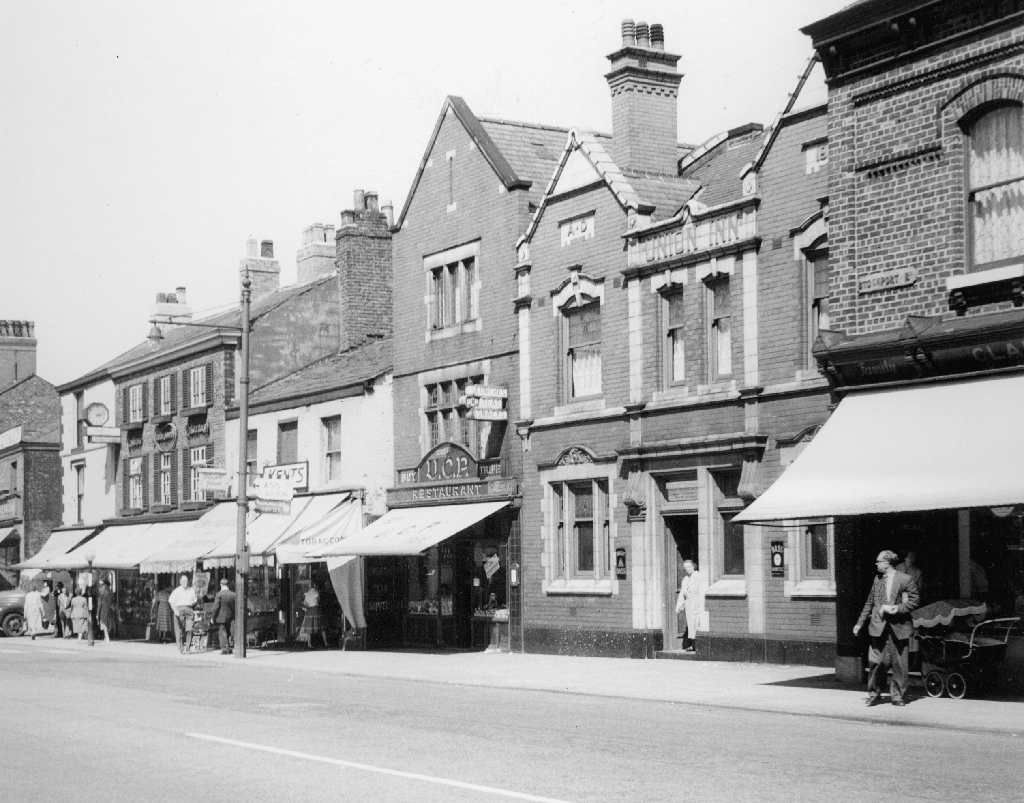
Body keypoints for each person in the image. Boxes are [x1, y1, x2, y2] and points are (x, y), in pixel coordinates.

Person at [854, 549, 920, 707]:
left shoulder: (905, 579)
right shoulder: (878, 580)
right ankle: (874, 693)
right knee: (876, 662)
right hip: (878, 626)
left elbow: (915, 600)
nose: (876, 564)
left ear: (887, 563)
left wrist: (897, 608)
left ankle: (897, 696)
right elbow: (870, 603)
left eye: (878, 561)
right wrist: (859, 623)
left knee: (899, 664)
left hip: (899, 626)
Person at [674, 560, 705, 653]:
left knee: (697, 623)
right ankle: (693, 645)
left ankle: (698, 645)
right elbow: (682, 594)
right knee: (691, 625)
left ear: (693, 566)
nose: (687, 569)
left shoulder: (699, 577)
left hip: (698, 604)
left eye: (689, 567)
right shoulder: (685, 579)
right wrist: (679, 606)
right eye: (685, 568)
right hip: (689, 605)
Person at [168, 574, 197, 653]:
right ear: (180, 582)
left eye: (186, 581)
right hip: (179, 610)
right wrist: (175, 611)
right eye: (183, 581)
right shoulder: (176, 591)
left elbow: (195, 600)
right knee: (179, 631)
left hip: (188, 610)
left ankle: (188, 647)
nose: (185, 582)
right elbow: (171, 602)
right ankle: (181, 648)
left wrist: (193, 603)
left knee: (190, 629)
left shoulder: (191, 590)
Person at [298, 583, 329, 649]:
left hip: (309, 610)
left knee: (309, 628)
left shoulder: (307, 593)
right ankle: (325, 643)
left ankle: (309, 644)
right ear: (315, 586)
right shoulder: (316, 592)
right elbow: (318, 601)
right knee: (321, 627)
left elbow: (305, 603)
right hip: (316, 609)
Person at [210, 578, 236, 655]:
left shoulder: (219, 594)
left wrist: (213, 617)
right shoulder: (233, 594)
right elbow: (235, 607)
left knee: (223, 633)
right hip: (230, 616)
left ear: (221, 585)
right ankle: (228, 647)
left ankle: (225, 649)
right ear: (227, 585)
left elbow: (216, 607)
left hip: (221, 617)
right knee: (228, 632)